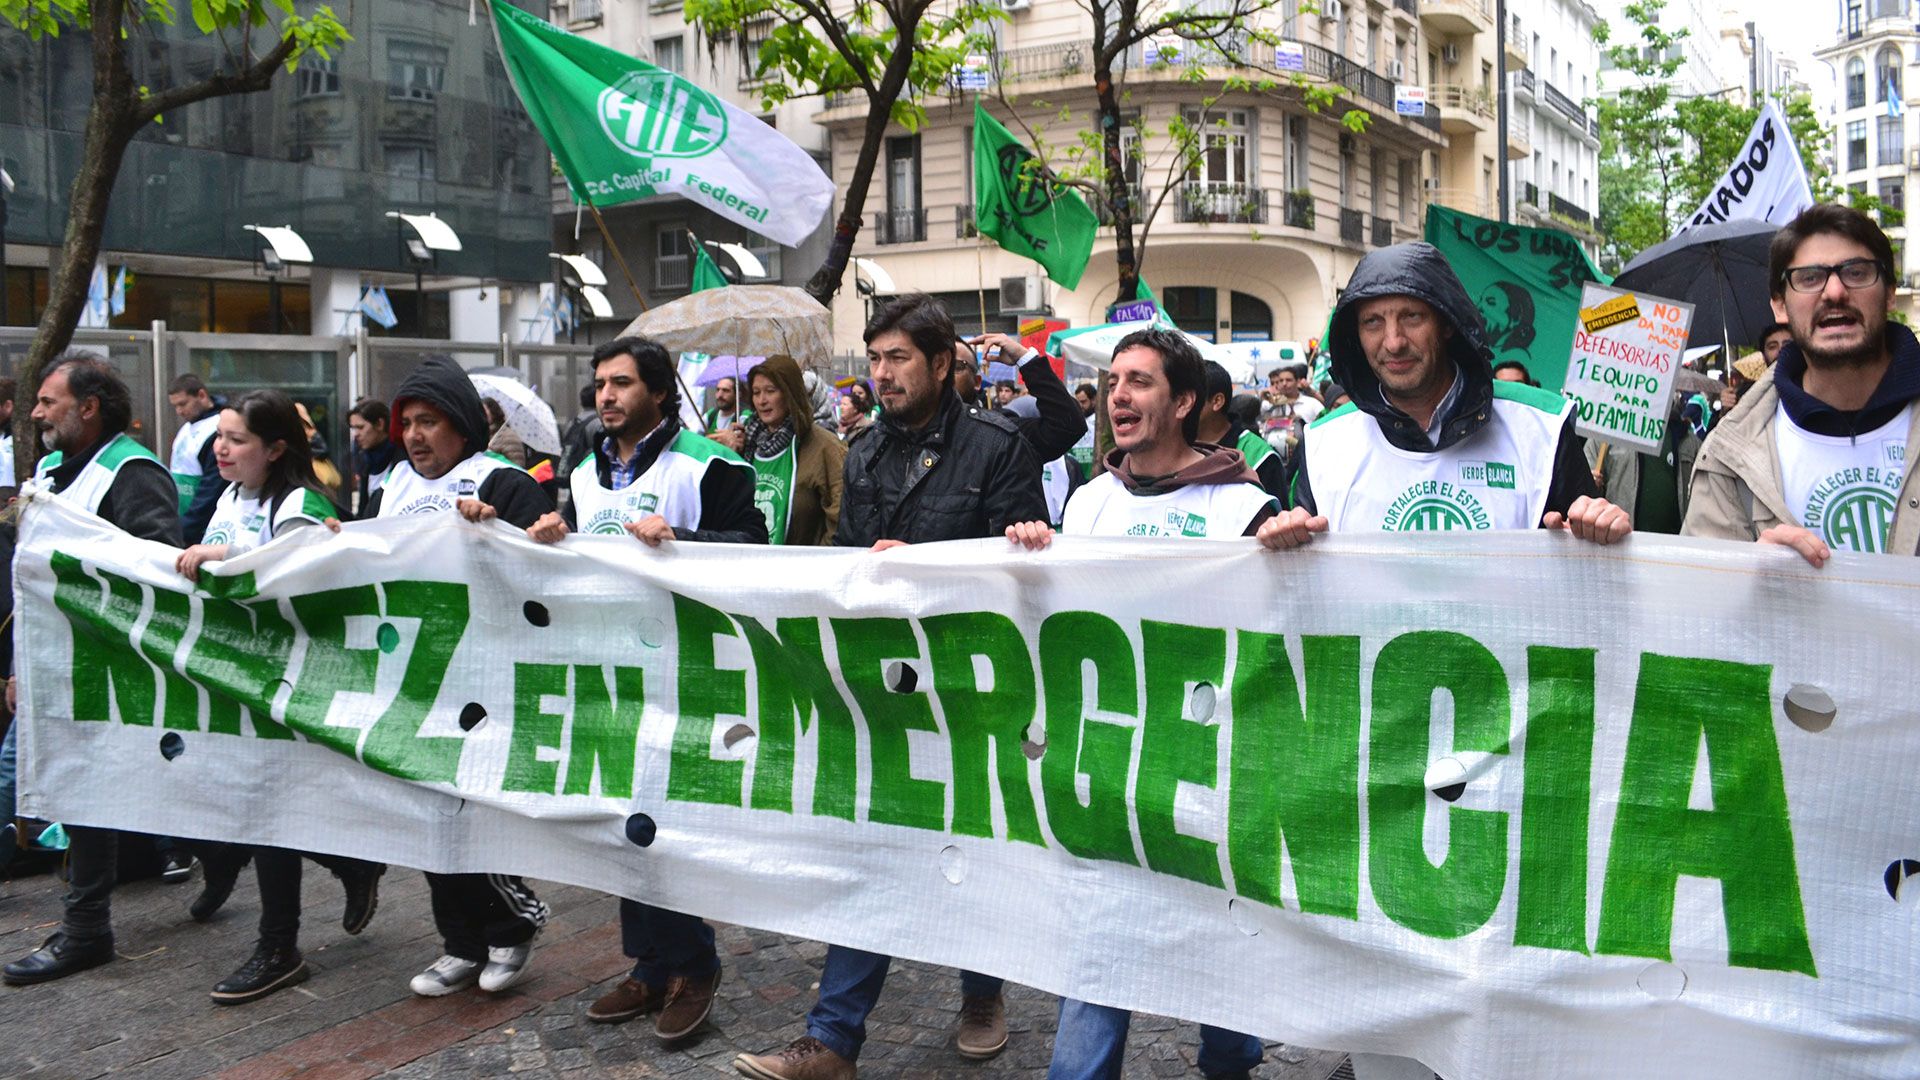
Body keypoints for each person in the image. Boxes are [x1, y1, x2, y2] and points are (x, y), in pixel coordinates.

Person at [1255, 242, 1629, 1080]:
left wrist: (1600, 527)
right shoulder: (1323, 444)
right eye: (1374, 322)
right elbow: (1293, 602)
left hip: (1517, 757)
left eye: (1410, 317)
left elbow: (1591, 581)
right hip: (1377, 763)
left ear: (1447, 324)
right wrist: (1276, 543)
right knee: (1387, 986)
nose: (1393, 340)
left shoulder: (1539, 428)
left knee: (1510, 982)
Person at [734, 293, 1046, 1080]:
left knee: (973, 846)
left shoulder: (998, 447)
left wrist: (951, 562)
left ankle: (982, 993)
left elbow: (1026, 567)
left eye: (898, 358)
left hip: (973, 687)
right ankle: (833, 1040)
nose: (882, 374)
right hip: (888, 687)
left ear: (943, 365)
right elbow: (844, 558)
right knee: (873, 853)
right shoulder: (865, 449)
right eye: (874, 360)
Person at [1004, 328, 1275, 1080]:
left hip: (1205, 773)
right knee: (1097, 955)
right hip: (1109, 768)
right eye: (1115, 381)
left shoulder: (1239, 507)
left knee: (1216, 939)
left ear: (1184, 401)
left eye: (1141, 382)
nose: (1119, 396)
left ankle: (1231, 1058)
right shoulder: (1089, 504)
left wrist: (1289, 547)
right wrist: (1019, 557)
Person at [520, 335, 762, 1043]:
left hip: (684, 670)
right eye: (600, 384)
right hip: (607, 669)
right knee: (619, 818)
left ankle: (695, 962)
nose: (606, 396)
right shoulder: (586, 468)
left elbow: (757, 547)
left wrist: (682, 537)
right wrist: (553, 533)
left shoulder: (710, 463)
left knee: (662, 821)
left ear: (658, 392)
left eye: (621, 383)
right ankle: (650, 964)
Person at [170, 389, 386, 1004]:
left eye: (237, 440)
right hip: (239, 677)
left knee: (268, 809)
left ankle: (279, 947)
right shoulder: (231, 498)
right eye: (220, 437)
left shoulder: (299, 503)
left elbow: (298, 578)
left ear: (276, 448)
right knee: (252, 804)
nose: (222, 449)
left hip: (293, 682)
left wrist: (227, 557)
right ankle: (351, 865)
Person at [362, 355, 554, 997]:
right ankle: (461, 943)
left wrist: (503, 535)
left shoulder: (503, 481)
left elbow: (552, 568)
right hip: (413, 676)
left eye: (430, 421)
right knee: (426, 812)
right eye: (407, 422)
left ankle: (514, 920)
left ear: (463, 426)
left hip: (486, 677)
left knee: (470, 806)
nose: (415, 436)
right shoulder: (391, 485)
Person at [3, 353, 181, 986]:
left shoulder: (133, 474)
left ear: (89, 407)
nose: (36, 412)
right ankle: (87, 925)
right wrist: (22, 663)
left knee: (91, 790)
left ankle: (86, 930)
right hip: (55, 663)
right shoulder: (52, 471)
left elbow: (156, 567)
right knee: (80, 789)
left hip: (106, 667)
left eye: (50, 401)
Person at [1684, 202, 1920, 566]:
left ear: (1889, 291)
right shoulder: (1728, 455)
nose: (1835, 292)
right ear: (1780, 306)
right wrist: (1743, 578)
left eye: (1856, 272)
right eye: (1810, 278)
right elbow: (1698, 608)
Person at [708, 355, 846, 545]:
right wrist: (734, 456)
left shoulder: (824, 446)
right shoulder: (749, 442)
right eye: (756, 392)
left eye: (770, 391)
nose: (762, 400)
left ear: (791, 393)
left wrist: (819, 560)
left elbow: (840, 517)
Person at [1196, 360, 1286, 500]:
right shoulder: (1174, 446)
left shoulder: (1259, 456)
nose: (1181, 405)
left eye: (1190, 397)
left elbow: (1276, 516)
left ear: (1217, 401)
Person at [167, 373, 229, 544]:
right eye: (175, 406)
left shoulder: (216, 429)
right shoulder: (187, 428)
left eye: (183, 404)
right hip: (184, 521)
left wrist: (183, 531)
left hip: (200, 529)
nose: (179, 411)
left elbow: (211, 489)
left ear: (201, 395)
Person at [347, 398, 398, 516]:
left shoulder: (404, 460)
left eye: (360, 427)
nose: (356, 434)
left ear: (380, 424)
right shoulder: (365, 461)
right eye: (353, 428)